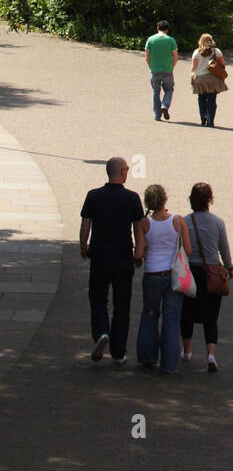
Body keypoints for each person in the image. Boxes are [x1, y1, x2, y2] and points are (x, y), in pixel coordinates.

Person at [79, 157, 145, 366]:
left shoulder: (93, 196)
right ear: (123, 172)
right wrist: (138, 254)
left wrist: (84, 247)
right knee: (122, 306)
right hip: (124, 257)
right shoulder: (132, 198)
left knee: (98, 298)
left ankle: (100, 332)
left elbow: (85, 226)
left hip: (100, 257)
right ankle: (118, 353)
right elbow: (139, 229)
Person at [134, 184, 191, 374]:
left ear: (148, 202)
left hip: (152, 274)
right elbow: (188, 250)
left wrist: (143, 256)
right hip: (173, 274)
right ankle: (169, 364)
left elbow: (139, 253)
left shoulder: (143, 224)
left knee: (150, 314)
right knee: (172, 319)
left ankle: (148, 357)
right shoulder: (177, 220)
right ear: (165, 199)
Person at [181, 182, 233, 373]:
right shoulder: (218, 222)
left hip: (190, 272)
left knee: (186, 313)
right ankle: (211, 354)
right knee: (211, 317)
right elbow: (224, 249)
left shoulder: (184, 222)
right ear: (210, 200)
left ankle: (187, 351)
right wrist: (228, 267)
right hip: (212, 273)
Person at [190, 33, 227, 127]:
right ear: (211, 41)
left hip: (200, 79)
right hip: (213, 78)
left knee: (201, 99)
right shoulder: (216, 51)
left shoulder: (196, 52)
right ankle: (210, 121)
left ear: (200, 41)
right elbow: (223, 64)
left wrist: (192, 78)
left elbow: (193, 68)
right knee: (212, 100)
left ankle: (203, 118)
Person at [144, 20, 178, 121]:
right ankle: (165, 105)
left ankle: (157, 115)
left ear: (157, 28)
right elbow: (176, 57)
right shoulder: (171, 40)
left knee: (155, 91)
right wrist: (172, 67)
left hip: (154, 70)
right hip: (167, 69)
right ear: (167, 29)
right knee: (169, 89)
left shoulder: (150, 40)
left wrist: (151, 67)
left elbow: (147, 57)